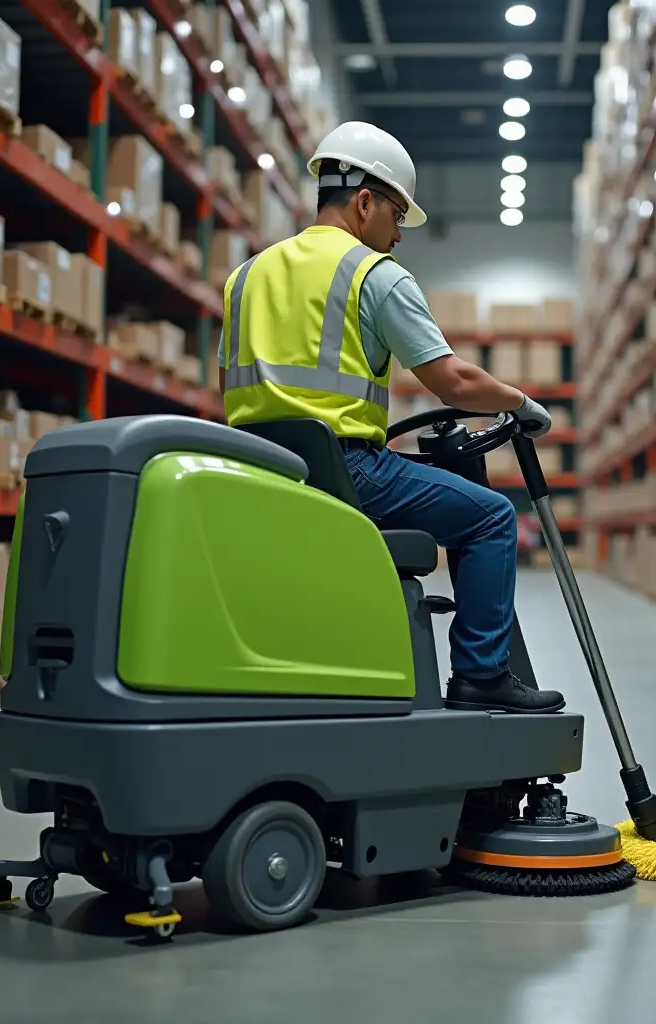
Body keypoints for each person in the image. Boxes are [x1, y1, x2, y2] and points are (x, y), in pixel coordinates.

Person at [218, 121, 563, 714]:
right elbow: (451, 380)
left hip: (260, 478)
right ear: (364, 200)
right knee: (491, 519)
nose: (399, 236)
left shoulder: (244, 277)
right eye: (397, 216)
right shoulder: (372, 275)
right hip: (347, 474)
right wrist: (521, 404)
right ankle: (481, 675)